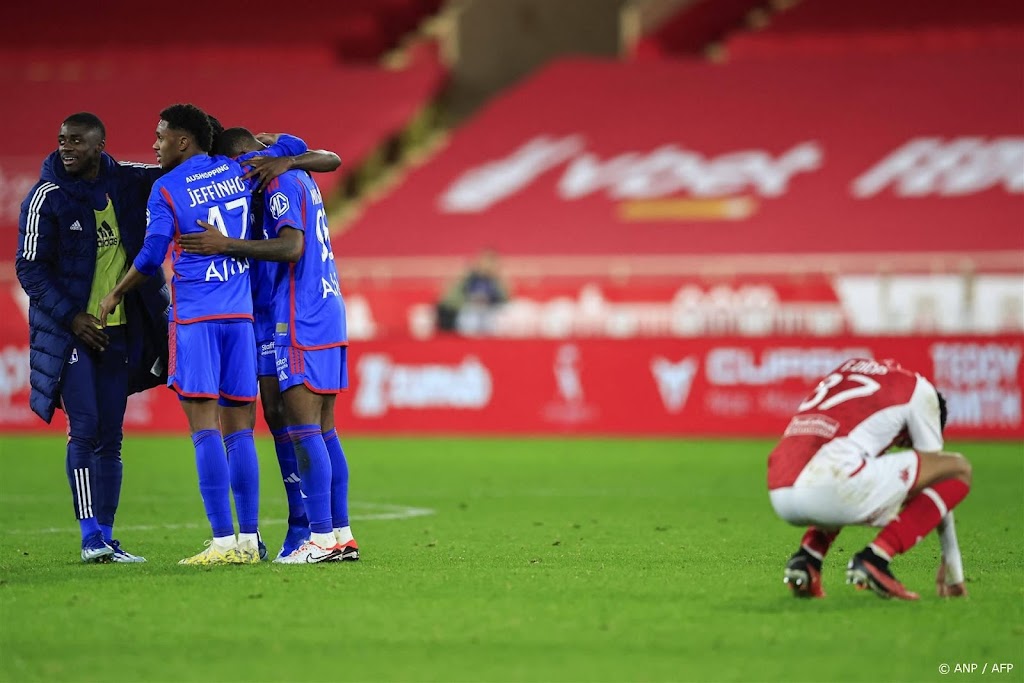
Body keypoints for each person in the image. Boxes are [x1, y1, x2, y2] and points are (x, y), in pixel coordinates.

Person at [179, 126, 357, 564]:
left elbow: (292, 246)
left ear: (245, 161)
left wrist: (226, 244)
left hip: (297, 315)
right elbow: (326, 156)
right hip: (321, 308)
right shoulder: (289, 166)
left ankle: (317, 538)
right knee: (320, 427)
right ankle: (337, 533)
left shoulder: (276, 178)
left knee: (302, 427)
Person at [98, 103, 263, 565]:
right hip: (240, 317)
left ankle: (223, 542)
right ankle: (249, 540)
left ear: (183, 141)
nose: (154, 144)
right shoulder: (236, 169)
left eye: (160, 135)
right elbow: (290, 147)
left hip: (196, 320)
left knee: (203, 429)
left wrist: (114, 294)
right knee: (241, 431)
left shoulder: (166, 188)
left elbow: (152, 257)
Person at [16, 112, 170, 563]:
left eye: (77, 141)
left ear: (100, 146)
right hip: (70, 335)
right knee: (83, 430)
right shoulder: (45, 197)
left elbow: (179, 167)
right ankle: (88, 538)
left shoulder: (126, 181)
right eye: (62, 140)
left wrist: (235, 156)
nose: (67, 147)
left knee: (112, 436)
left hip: (120, 332)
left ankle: (105, 535)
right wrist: (73, 317)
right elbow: (29, 268)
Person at [767, 358, 972, 600]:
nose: (900, 445)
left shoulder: (853, 368)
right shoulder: (922, 394)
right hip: (827, 487)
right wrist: (954, 569)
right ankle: (877, 557)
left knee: (851, 466)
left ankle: (808, 558)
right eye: (904, 442)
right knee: (959, 468)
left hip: (778, 488)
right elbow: (938, 475)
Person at [436, 247, 510, 335]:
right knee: (471, 321)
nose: (488, 266)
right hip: (467, 313)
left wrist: (498, 280)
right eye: (485, 261)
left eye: (492, 263)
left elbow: (506, 300)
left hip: (491, 315)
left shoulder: (497, 280)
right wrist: (469, 303)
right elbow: (449, 300)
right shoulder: (468, 278)